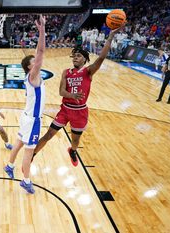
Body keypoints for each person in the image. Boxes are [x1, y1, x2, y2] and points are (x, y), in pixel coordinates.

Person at [31, 25, 124, 167]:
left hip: (80, 111)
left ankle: (73, 151)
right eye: (74, 56)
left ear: (84, 59)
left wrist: (110, 36)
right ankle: (32, 154)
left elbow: (101, 57)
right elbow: (61, 92)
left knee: (75, 140)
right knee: (49, 134)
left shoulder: (88, 72)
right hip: (65, 109)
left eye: (78, 56)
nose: (75, 58)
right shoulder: (66, 72)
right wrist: (72, 95)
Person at [3, 15, 46, 194]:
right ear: (30, 67)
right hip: (33, 120)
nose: (36, 63)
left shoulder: (31, 76)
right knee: (28, 152)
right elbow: (41, 53)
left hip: (26, 117)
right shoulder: (33, 76)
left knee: (18, 144)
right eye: (33, 63)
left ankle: (9, 166)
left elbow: (38, 54)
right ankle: (26, 181)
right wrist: (42, 30)